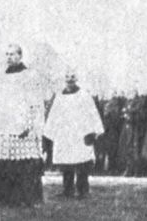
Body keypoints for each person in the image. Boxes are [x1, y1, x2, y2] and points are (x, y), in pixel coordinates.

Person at [0, 44, 45, 207]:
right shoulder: (0, 76)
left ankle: (27, 198)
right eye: (7, 54)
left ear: (20, 55)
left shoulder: (29, 75)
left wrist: (30, 123)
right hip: (2, 124)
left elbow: (35, 102)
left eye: (12, 54)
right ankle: (3, 197)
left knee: (24, 161)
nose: (9, 57)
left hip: (22, 124)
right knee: (2, 159)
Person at [44, 70, 104, 199]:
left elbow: (92, 113)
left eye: (72, 77)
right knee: (66, 163)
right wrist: (51, 131)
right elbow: (54, 115)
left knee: (82, 162)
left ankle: (83, 190)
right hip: (64, 134)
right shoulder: (59, 96)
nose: (69, 80)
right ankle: (67, 190)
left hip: (80, 133)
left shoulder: (84, 95)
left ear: (76, 79)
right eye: (67, 77)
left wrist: (93, 131)